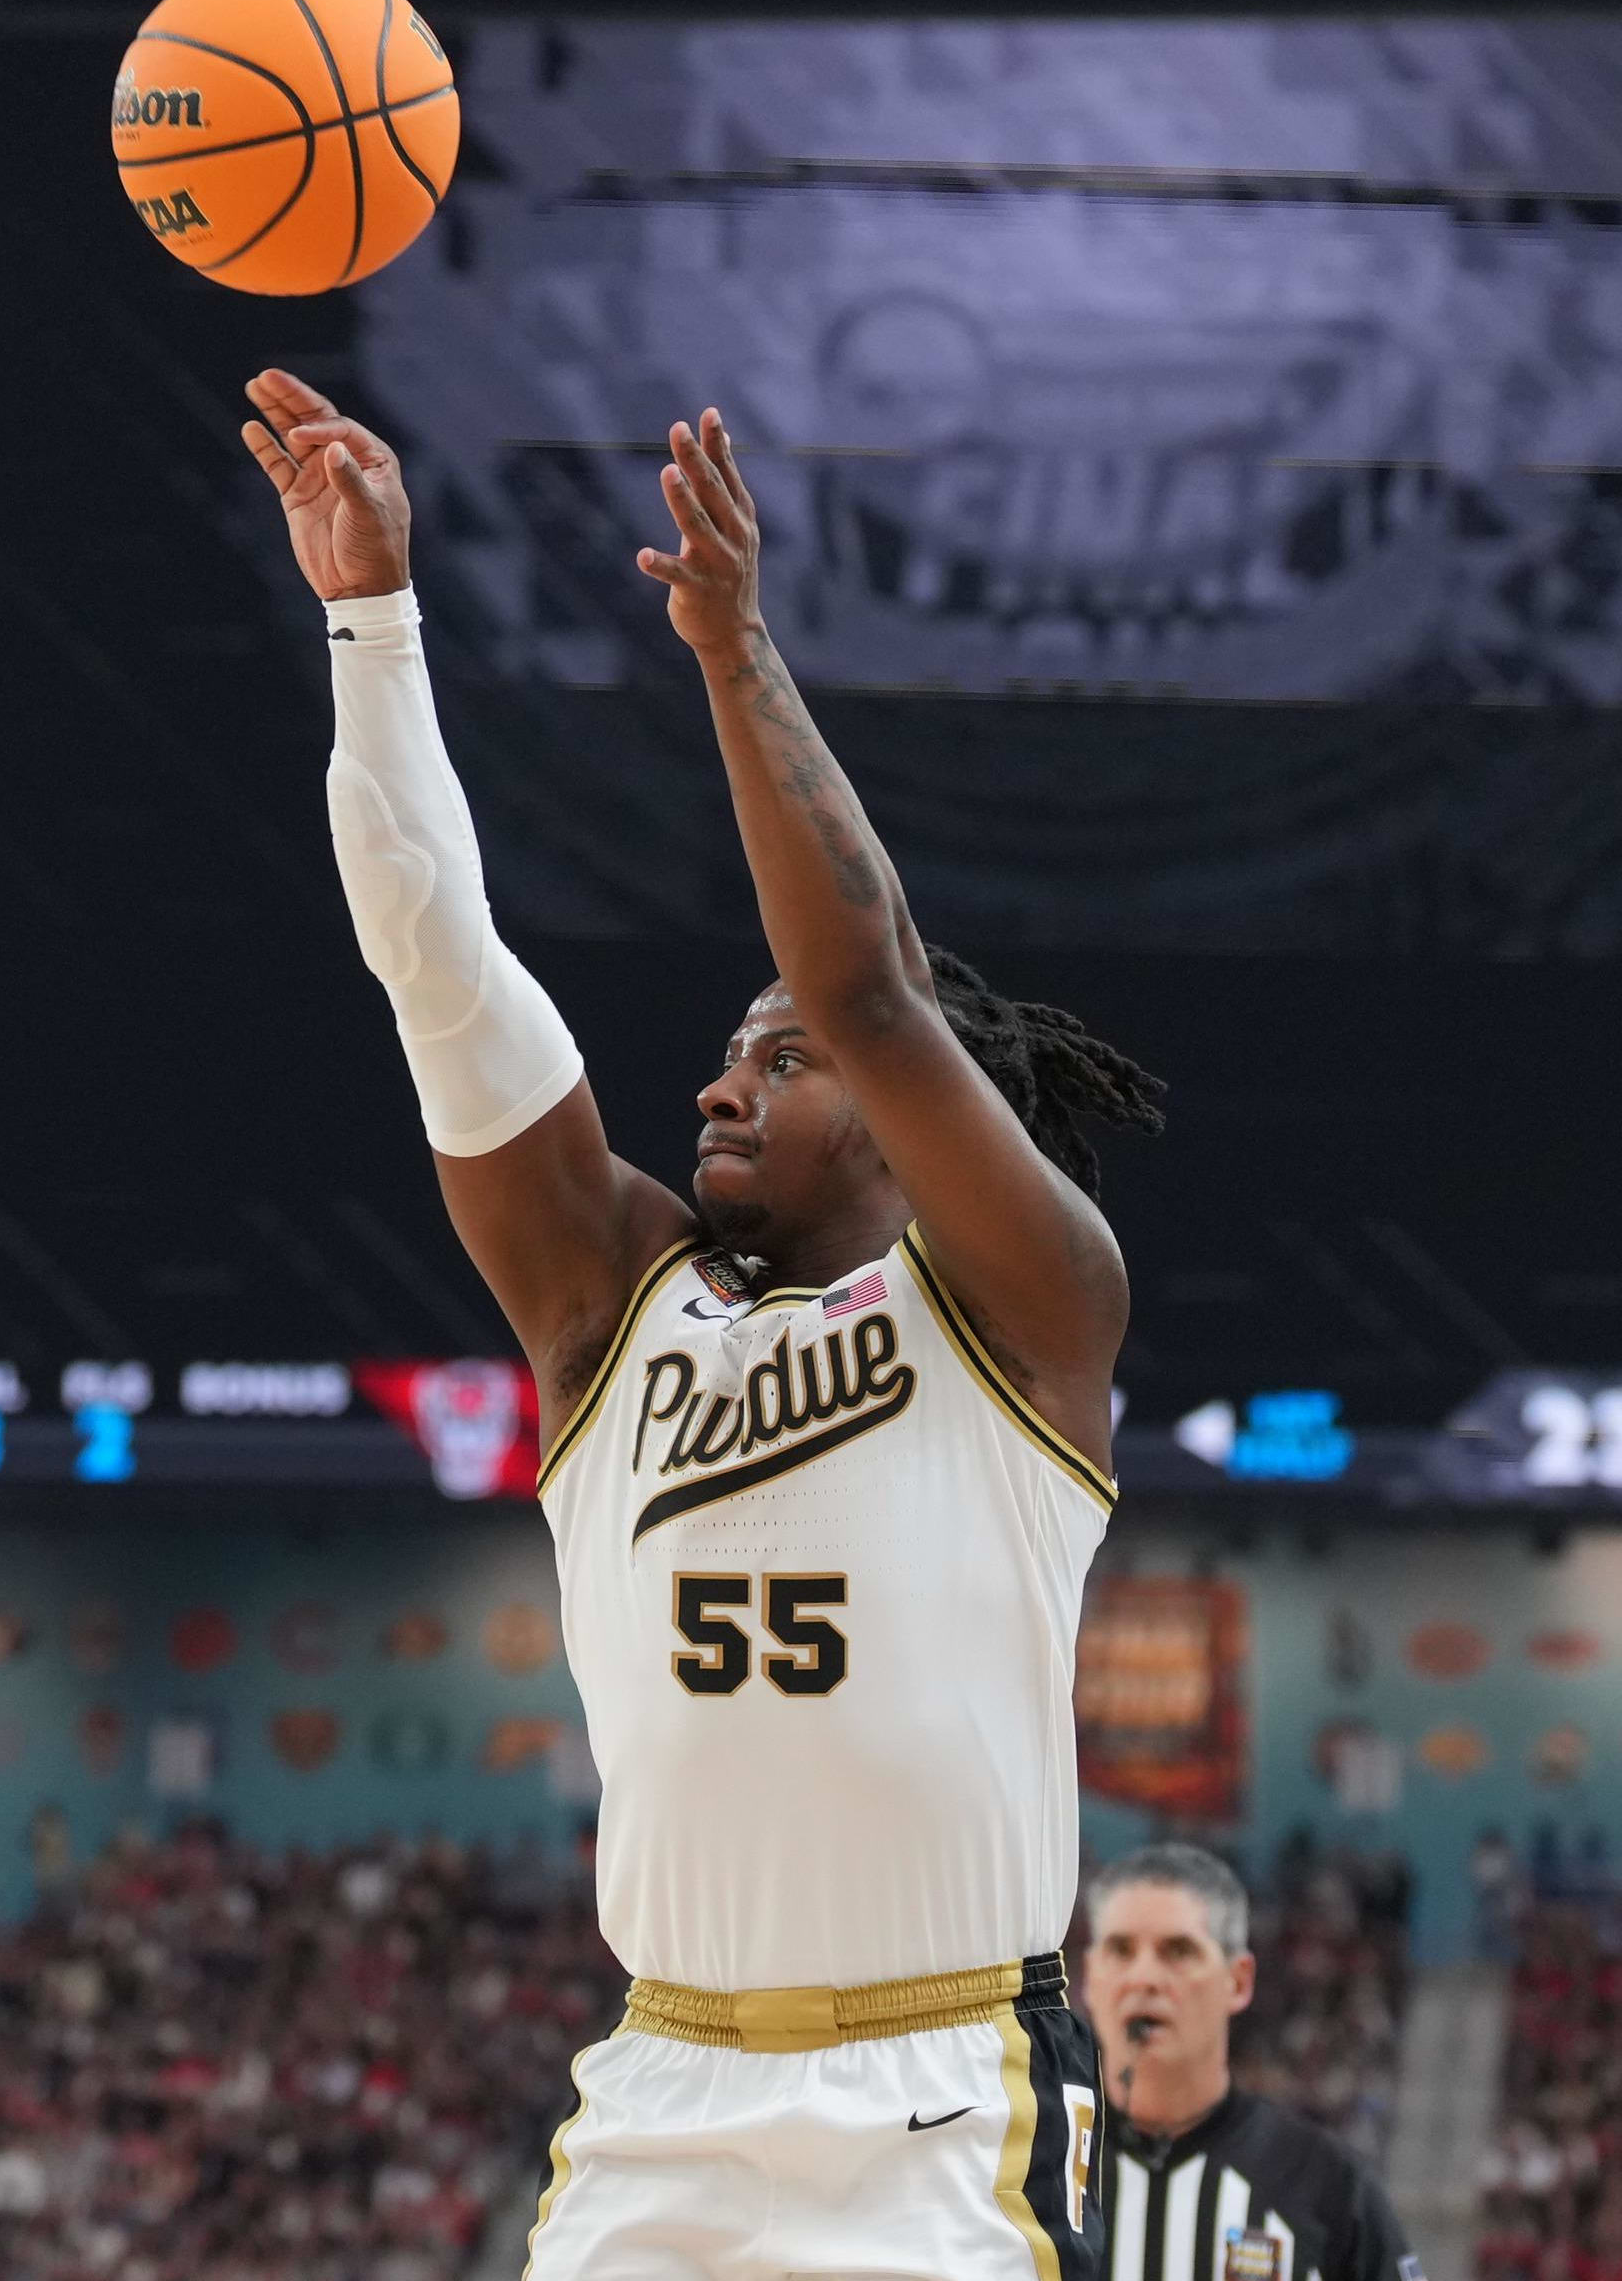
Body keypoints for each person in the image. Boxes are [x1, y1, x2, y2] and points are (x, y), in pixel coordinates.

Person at [235, 371, 1162, 2280]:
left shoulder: (1022, 1305)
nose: (720, 1092)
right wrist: (374, 622)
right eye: (725, 1060)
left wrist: (736, 656)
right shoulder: (609, 1312)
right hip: (661, 2090)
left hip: (944, 2089)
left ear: (912, 1122)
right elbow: (430, 948)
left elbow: (874, 985)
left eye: (777, 1063)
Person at [1082, 1845, 1419, 2281]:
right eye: (1121, 1950)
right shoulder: (1032, 2174)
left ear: (1237, 1980)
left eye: (1178, 1951)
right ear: (1089, 1978)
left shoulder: (1326, 2183)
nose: (1144, 1978)